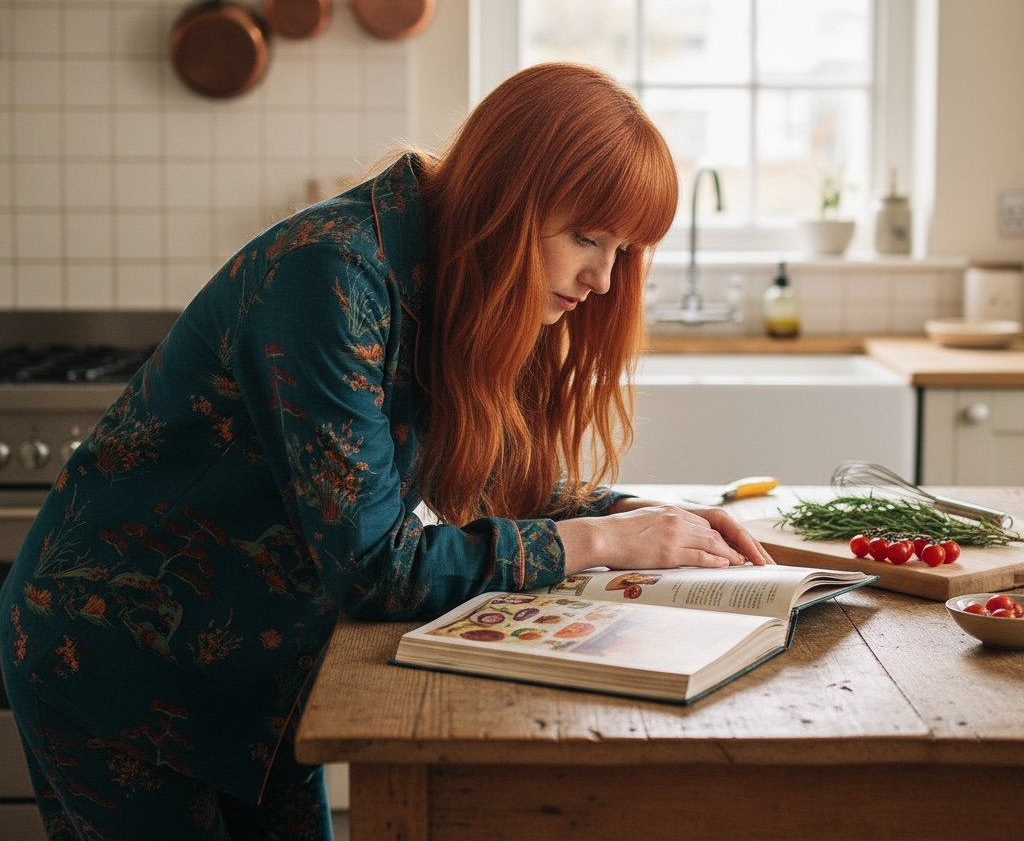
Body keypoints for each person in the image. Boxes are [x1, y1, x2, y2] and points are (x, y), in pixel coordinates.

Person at [0, 62, 769, 840]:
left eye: (624, 251)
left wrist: (638, 516)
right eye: (587, 237)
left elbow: (494, 473)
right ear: (508, 196)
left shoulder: (457, 272)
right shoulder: (330, 273)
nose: (603, 279)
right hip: (115, 663)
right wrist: (599, 541)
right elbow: (377, 569)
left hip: (252, 672)